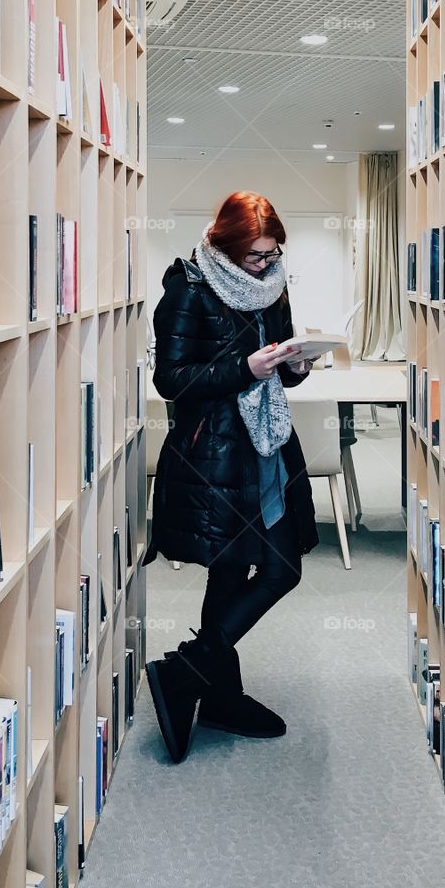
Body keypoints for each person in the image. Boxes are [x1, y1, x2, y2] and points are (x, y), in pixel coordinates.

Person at [143, 191, 319, 762]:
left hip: (266, 447)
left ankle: (196, 676)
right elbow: (171, 380)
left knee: (278, 565)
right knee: (241, 569)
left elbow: (280, 370)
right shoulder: (189, 288)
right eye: (256, 257)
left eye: (272, 255)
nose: (266, 266)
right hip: (214, 456)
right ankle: (212, 685)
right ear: (226, 243)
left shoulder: (275, 286)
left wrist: (293, 367)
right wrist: (243, 368)